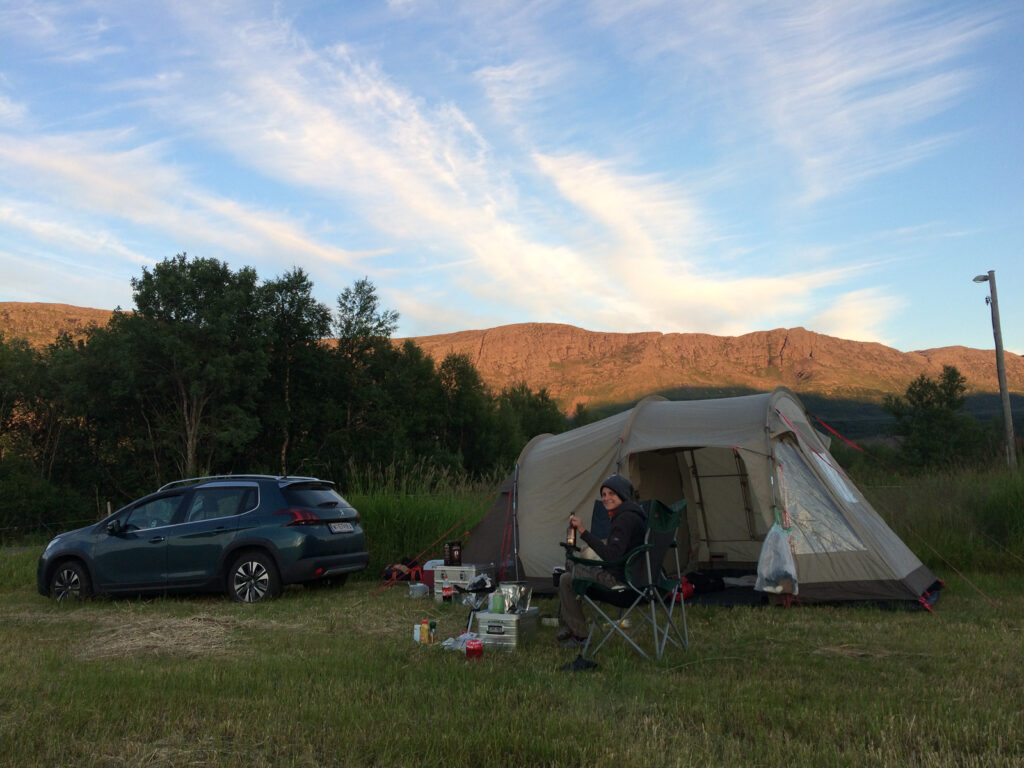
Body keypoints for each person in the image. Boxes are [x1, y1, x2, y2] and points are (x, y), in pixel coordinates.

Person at [556, 474, 647, 647]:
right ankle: (578, 633)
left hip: (619, 584)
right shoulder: (632, 514)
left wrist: (583, 531)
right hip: (635, 579)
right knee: (566, 579)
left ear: (622, 494)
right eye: (603, 494)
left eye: (611, 494)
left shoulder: (625, 518)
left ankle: (573, 629)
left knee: (570, 563)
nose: (606, 498)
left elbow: (611, 556)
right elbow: (619, 551)